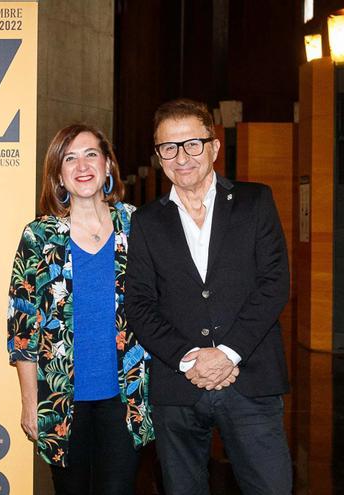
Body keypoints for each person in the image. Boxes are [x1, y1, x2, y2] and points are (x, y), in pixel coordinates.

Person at [125, 98, 291, 494]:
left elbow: (274, 283)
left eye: (193, 144)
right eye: (169, 147)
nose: (181, 157)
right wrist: (190, 359)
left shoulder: (255, 202)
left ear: (214, 148)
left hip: (249, 378)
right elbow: (140, 304)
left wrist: (228, 353)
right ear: (159, 156)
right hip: (179, 386)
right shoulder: (147, 221)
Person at [7, 124, 154, 495]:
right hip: (60, 401)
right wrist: (30, 404)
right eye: (69, 158)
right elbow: (23, 330)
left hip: (126, 399)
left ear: (107, 165)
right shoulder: (38, 236)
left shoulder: (138, 226)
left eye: (91, 154)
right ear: (59, 175)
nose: (82, 165)